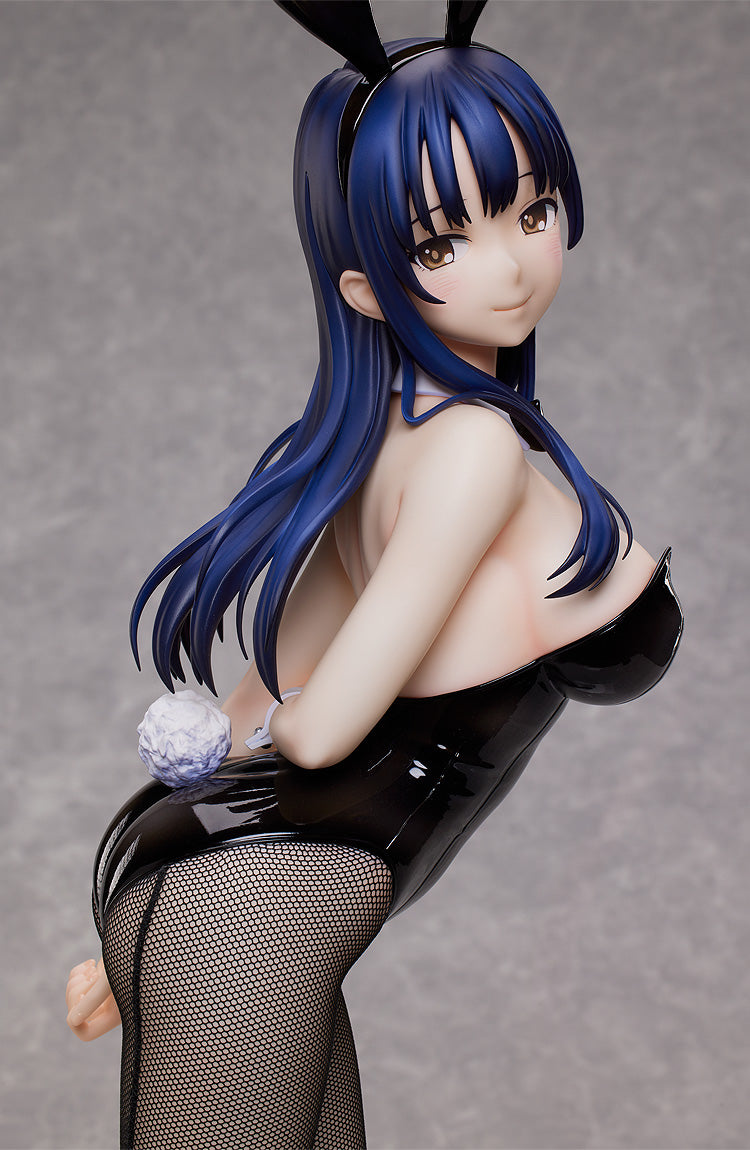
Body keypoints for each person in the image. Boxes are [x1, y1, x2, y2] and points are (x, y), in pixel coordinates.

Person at [66, 3, 683, 1147]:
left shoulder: (381, 431)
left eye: (531, 210)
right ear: (363, 286)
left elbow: (270, 684)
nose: (511, 264)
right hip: (249, 911)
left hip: (238, 909)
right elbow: (311, 727)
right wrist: (167, 929)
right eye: (443, 244)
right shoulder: (471, 450)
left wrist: (144, 932)